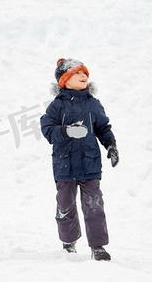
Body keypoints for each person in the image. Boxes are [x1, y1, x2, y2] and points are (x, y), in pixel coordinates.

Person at [40, 58, 119, 261]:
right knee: (65, 205)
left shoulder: (93, 103)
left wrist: (111, 145)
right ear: (65, 80)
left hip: (89, 163)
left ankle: (98, 246)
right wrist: (67, 131)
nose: (84, 76)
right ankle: (69, 242)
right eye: (78, 73)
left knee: (94, 204)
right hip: (64, 165)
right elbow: (47, 130)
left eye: (85, 73)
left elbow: (103, 127)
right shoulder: (56, 106)